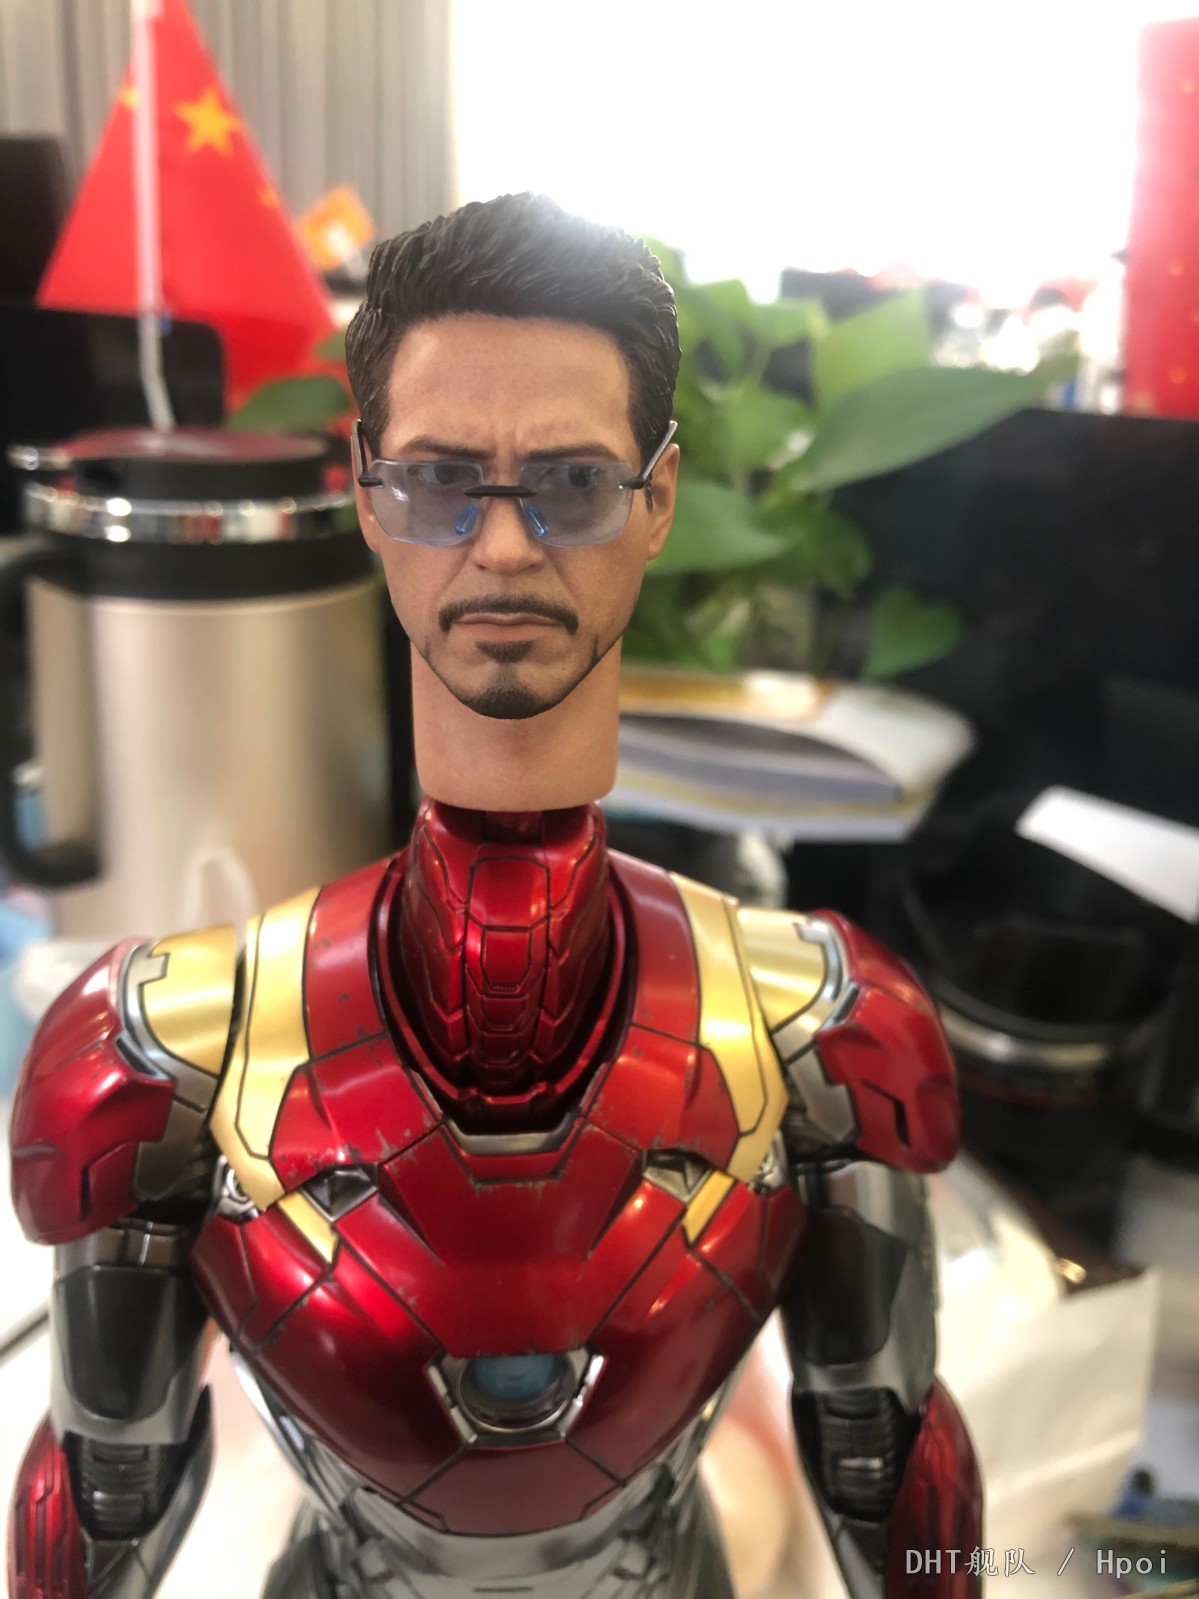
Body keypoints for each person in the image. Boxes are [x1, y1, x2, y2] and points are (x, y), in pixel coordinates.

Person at [8, 193, 981, 1599]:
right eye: (440, 479)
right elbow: (106, 1497)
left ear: (657, 500)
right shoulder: (171, 1046)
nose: (507, 547)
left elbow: (889, 1474)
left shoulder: (817, 1032)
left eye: (572, 482)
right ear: (366, 495)